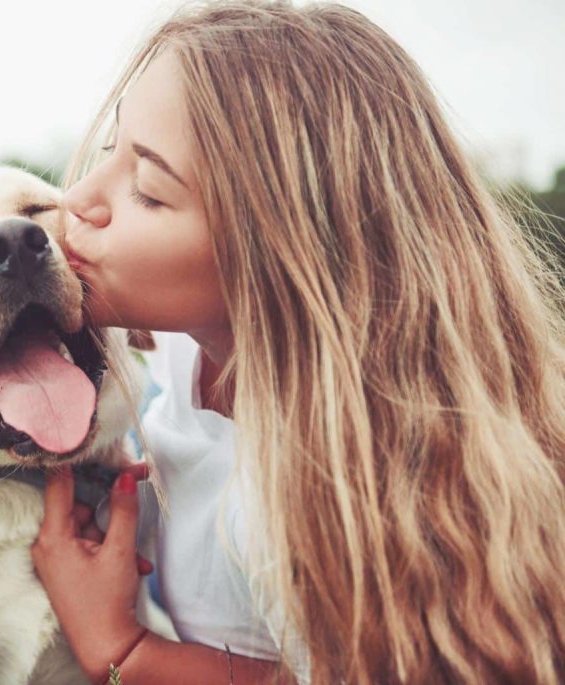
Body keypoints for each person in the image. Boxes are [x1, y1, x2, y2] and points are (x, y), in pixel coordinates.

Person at [29, 2, 565, 684]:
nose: (77, 199)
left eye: (149, 192)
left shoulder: (348, 482)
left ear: (278, 255)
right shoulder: (186, 347)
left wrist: (125, 648)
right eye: (112, 150)